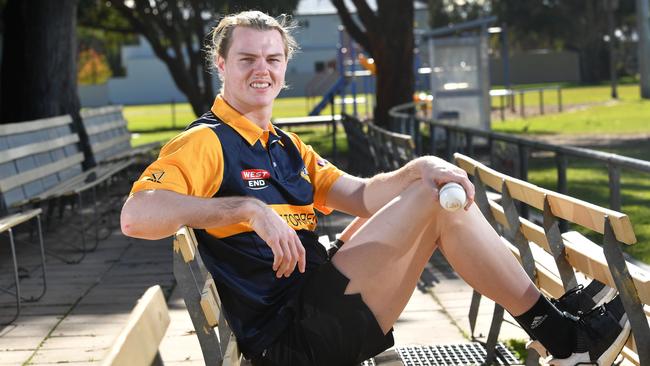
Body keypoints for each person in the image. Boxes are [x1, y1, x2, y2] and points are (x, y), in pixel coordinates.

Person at [120, 11, 630, 366]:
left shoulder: (285, 145)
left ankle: (558, 330)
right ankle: (562, 336)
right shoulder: (208, 142)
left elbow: (363, 195)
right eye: (247, 59)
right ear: (222, 66)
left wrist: (420, 166)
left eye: (273, 59)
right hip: (294, 337)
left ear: (284, 68)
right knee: (435, 202)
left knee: (431, 193)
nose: (262, 70)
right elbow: (136, 216)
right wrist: (248, 208)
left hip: (315, 302)